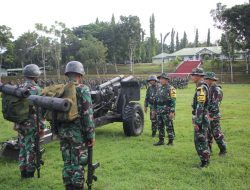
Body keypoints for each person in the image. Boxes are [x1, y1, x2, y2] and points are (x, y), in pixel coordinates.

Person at [59, 61, 95, 190]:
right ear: (80, 74)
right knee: (79, 161)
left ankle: (68, 185)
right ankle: (77, 186)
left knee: (67, 160)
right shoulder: (82, 89)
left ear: (68, 74)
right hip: (77, 133)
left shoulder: (62, 89)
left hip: (63, 131)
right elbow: (87, 114)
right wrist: (91, 134)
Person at [14, 64, 45, 178]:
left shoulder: (18, 87)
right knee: (31, 147)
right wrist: (42, 127)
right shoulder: (36, 89)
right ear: (35, 75)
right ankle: (30, 172)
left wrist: (15, 124)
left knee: (22, 146)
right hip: (32, 124)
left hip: (20, 123)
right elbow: (40, 110)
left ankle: (22, 171)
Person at [190, 68, 210, 168]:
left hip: (201, 119)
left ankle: (204, 163)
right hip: (201, 118)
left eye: (193, 75)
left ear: (198, 76)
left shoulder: (201, 88)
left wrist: (197, 122)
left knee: (200, 140)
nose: (192, 77)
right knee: (201, 139)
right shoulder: (200, 87)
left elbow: (200, 106)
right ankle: (204, 161)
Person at [204, 72, 227, 156]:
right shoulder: (208, 88)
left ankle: (223, 150)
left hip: (213, 115)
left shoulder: (216, 90)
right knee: (207, 134)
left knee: (216, 133)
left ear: (211, 80)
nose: (205, 80)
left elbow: (215, 104)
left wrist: (210, 115)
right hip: (207, 114)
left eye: (206, 79)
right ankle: (208, 150)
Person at [153, 73, 176, 146]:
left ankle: (170, 141)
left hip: (167, 110)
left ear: (166, 80)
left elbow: (173, 100)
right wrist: (154, 110)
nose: (160, 80)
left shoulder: (171, 88)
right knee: (160, 126)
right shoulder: (159, 88)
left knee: (168, 126)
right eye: (160, 79)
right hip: (159, 110)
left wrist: (172, 111)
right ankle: (161, 140)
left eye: (162, 79)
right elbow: (155, 100)